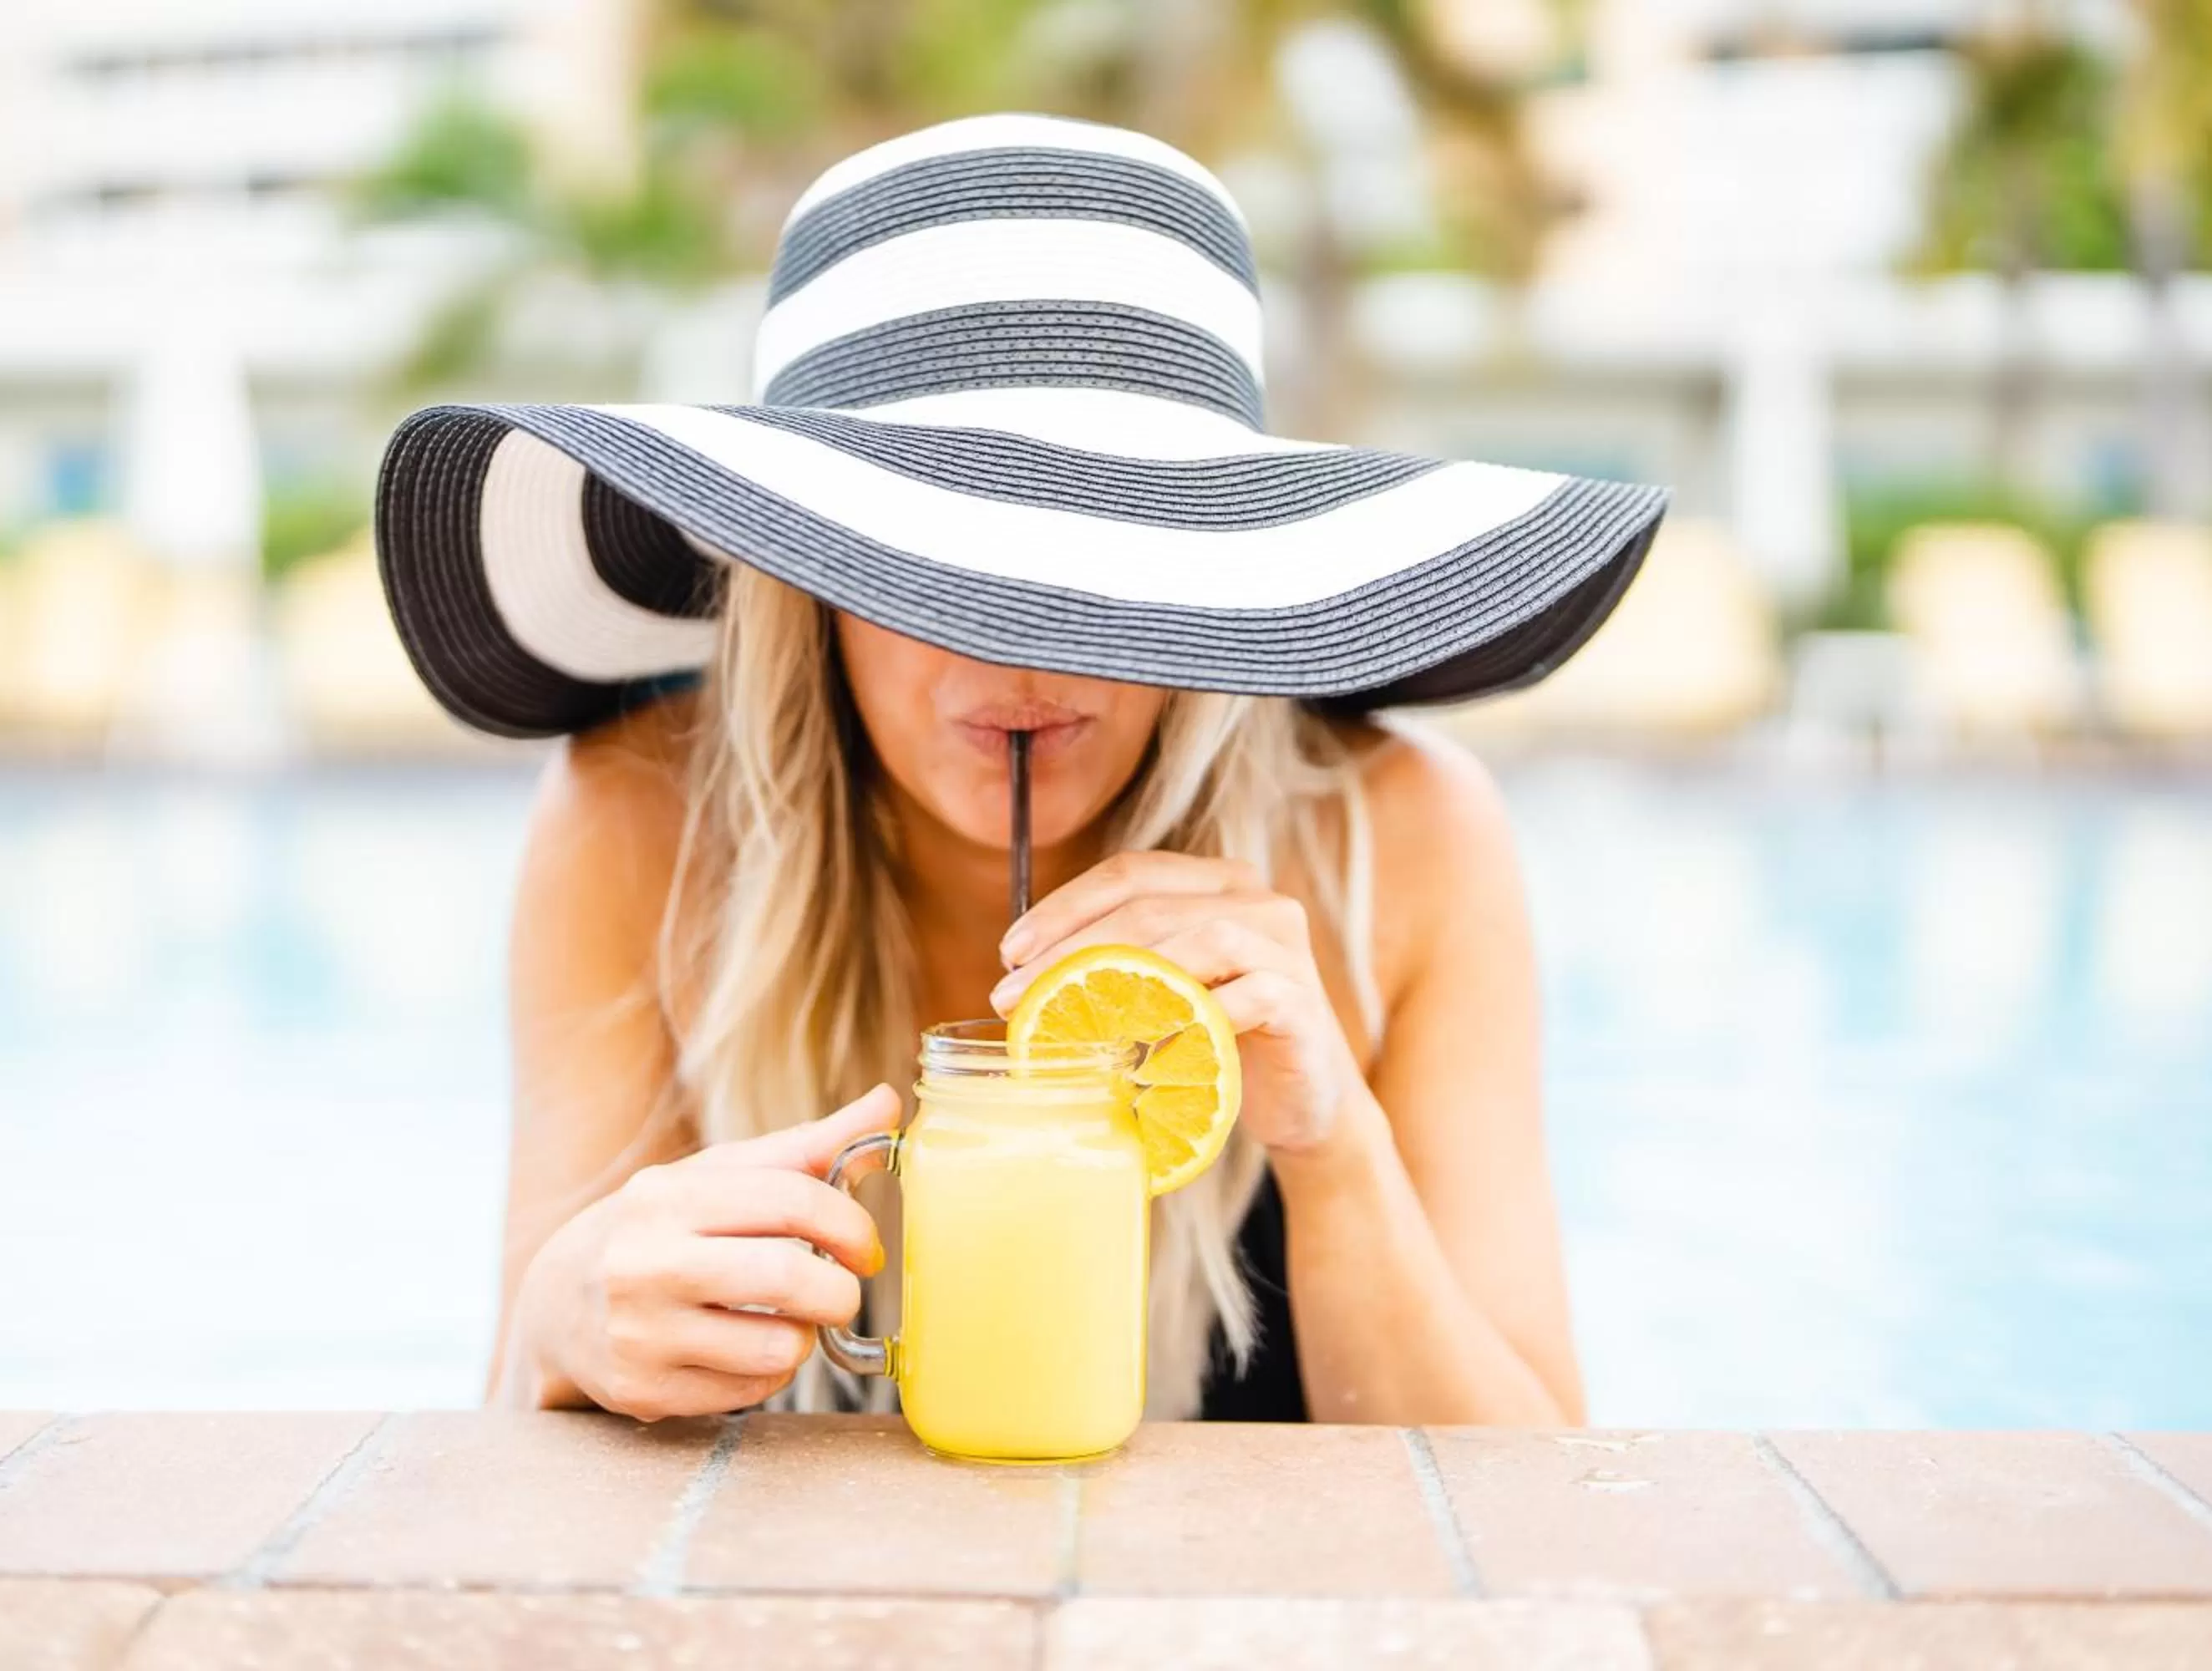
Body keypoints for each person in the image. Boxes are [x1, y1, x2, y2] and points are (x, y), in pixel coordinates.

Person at [370, 113, 1669, 1426]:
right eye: (928, 563)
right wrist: (563, 1318)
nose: (1016, 647)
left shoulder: (1402, 841)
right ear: (806, 584)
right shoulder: (636, 820)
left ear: (1215, 579)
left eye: (1102, 560)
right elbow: (511, 1434)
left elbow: (1531, 1496)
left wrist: (1332, 1149)